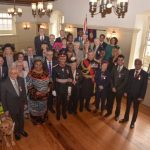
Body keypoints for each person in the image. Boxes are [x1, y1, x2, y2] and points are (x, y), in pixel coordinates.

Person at [119, 59, 148, 129]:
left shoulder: (145, 74)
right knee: (127, 107)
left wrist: (141, 96)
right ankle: (126, 118)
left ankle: (132, 122)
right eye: (135, 64)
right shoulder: (131, 71)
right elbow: (127, 82)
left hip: (137, 96)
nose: (137, 65)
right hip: (129, 93)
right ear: (134, 64)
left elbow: (144, 86)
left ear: (141, 65)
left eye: (138, 64)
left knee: (135, 109)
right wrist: (125, 91)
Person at [1, 67, 28, 140]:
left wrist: (25, 103)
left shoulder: (21, 79)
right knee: (14, 120)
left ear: (17, 73)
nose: (13, 75)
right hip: (11, 106)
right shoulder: (4, 83)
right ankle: (16, 132)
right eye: (11, 73)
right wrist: (6, 109)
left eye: (15, 73)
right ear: (9, 74)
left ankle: (22, 130)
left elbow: (24, 92)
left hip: (21, 104)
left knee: (21, 119)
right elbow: (3, 98)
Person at [26, 58, 50, 125]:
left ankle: (43, 120)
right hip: (34, 96)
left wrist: (49, 88)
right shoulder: (30, 73)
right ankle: (36, 121)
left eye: (40, 64)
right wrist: (36, 92)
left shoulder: (46, 72)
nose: (38, 66)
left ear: (42, 65)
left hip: (44, 95)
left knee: (43, 107)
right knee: (35, 109)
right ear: (34, 65)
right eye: (36, 64)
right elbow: (28, 85)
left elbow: (50, 81)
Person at [105, 55, 129, 121]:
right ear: (117, 61)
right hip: (112, 89)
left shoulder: (126, 71)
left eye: (121, 60)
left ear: (123, 61)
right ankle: (109, 112)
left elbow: (125, 82)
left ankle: (117, 115)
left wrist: (117, 88)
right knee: (110, 101)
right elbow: (111, 78)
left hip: (119, 91)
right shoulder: (114, 68)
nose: (120, 61)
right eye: (118, 60)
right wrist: (112, 87)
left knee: (118, 104)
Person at [52, 51, 73, 120]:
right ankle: (58, 114)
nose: (62, 60)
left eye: (64, 58)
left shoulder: (68, 67)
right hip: (58, 89)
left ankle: (64, 113)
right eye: (61, 58)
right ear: (58, 59)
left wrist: (69, 87)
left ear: (66, 59)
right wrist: (53, 89)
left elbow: (71, 78)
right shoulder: (55, 68)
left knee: (65, 102)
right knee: (58, 103)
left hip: (66, 88)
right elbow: (54, 80)